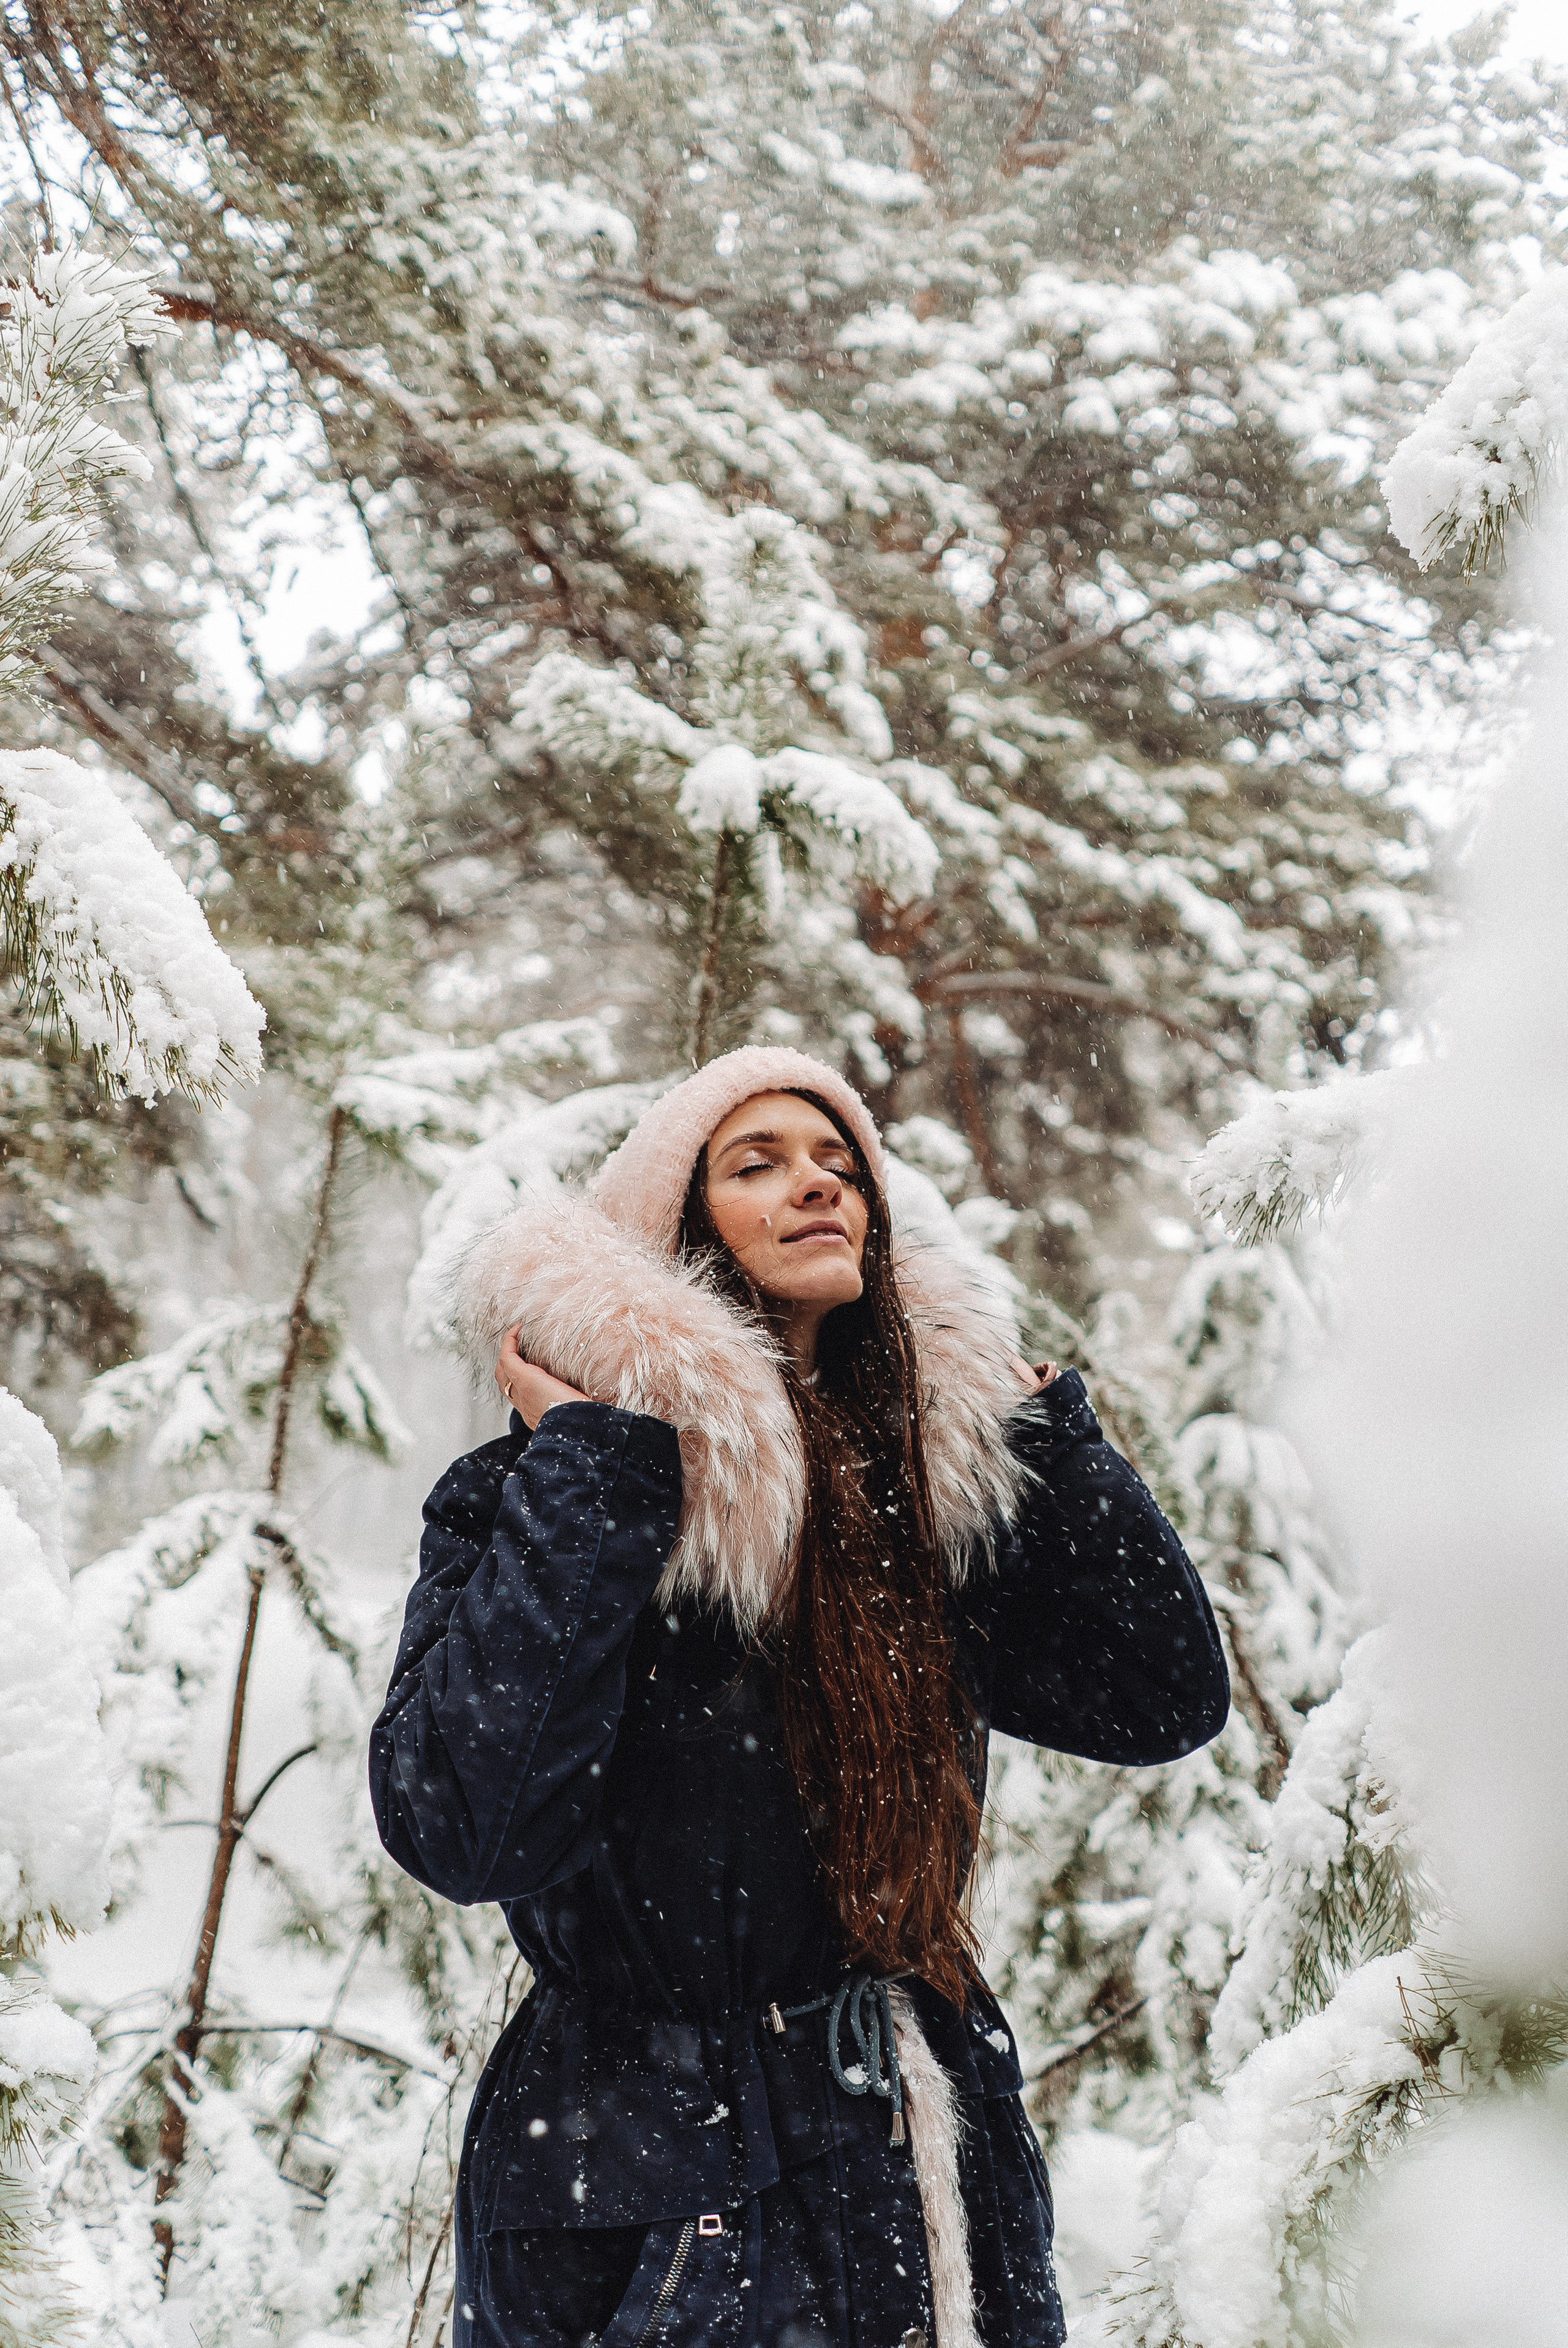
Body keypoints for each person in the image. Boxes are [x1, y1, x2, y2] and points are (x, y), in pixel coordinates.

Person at [370, 1046, 1228, 2348]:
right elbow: (461, 1828)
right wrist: (599, 1474)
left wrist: (1038, 1434)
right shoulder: (546, 1490)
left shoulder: (911, 1505)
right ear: (672, 1230)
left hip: (912, 2134)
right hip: (651, 2170)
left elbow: (1157, 1695)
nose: (818, 1187)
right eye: (755, 1164)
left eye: (840, 1167)